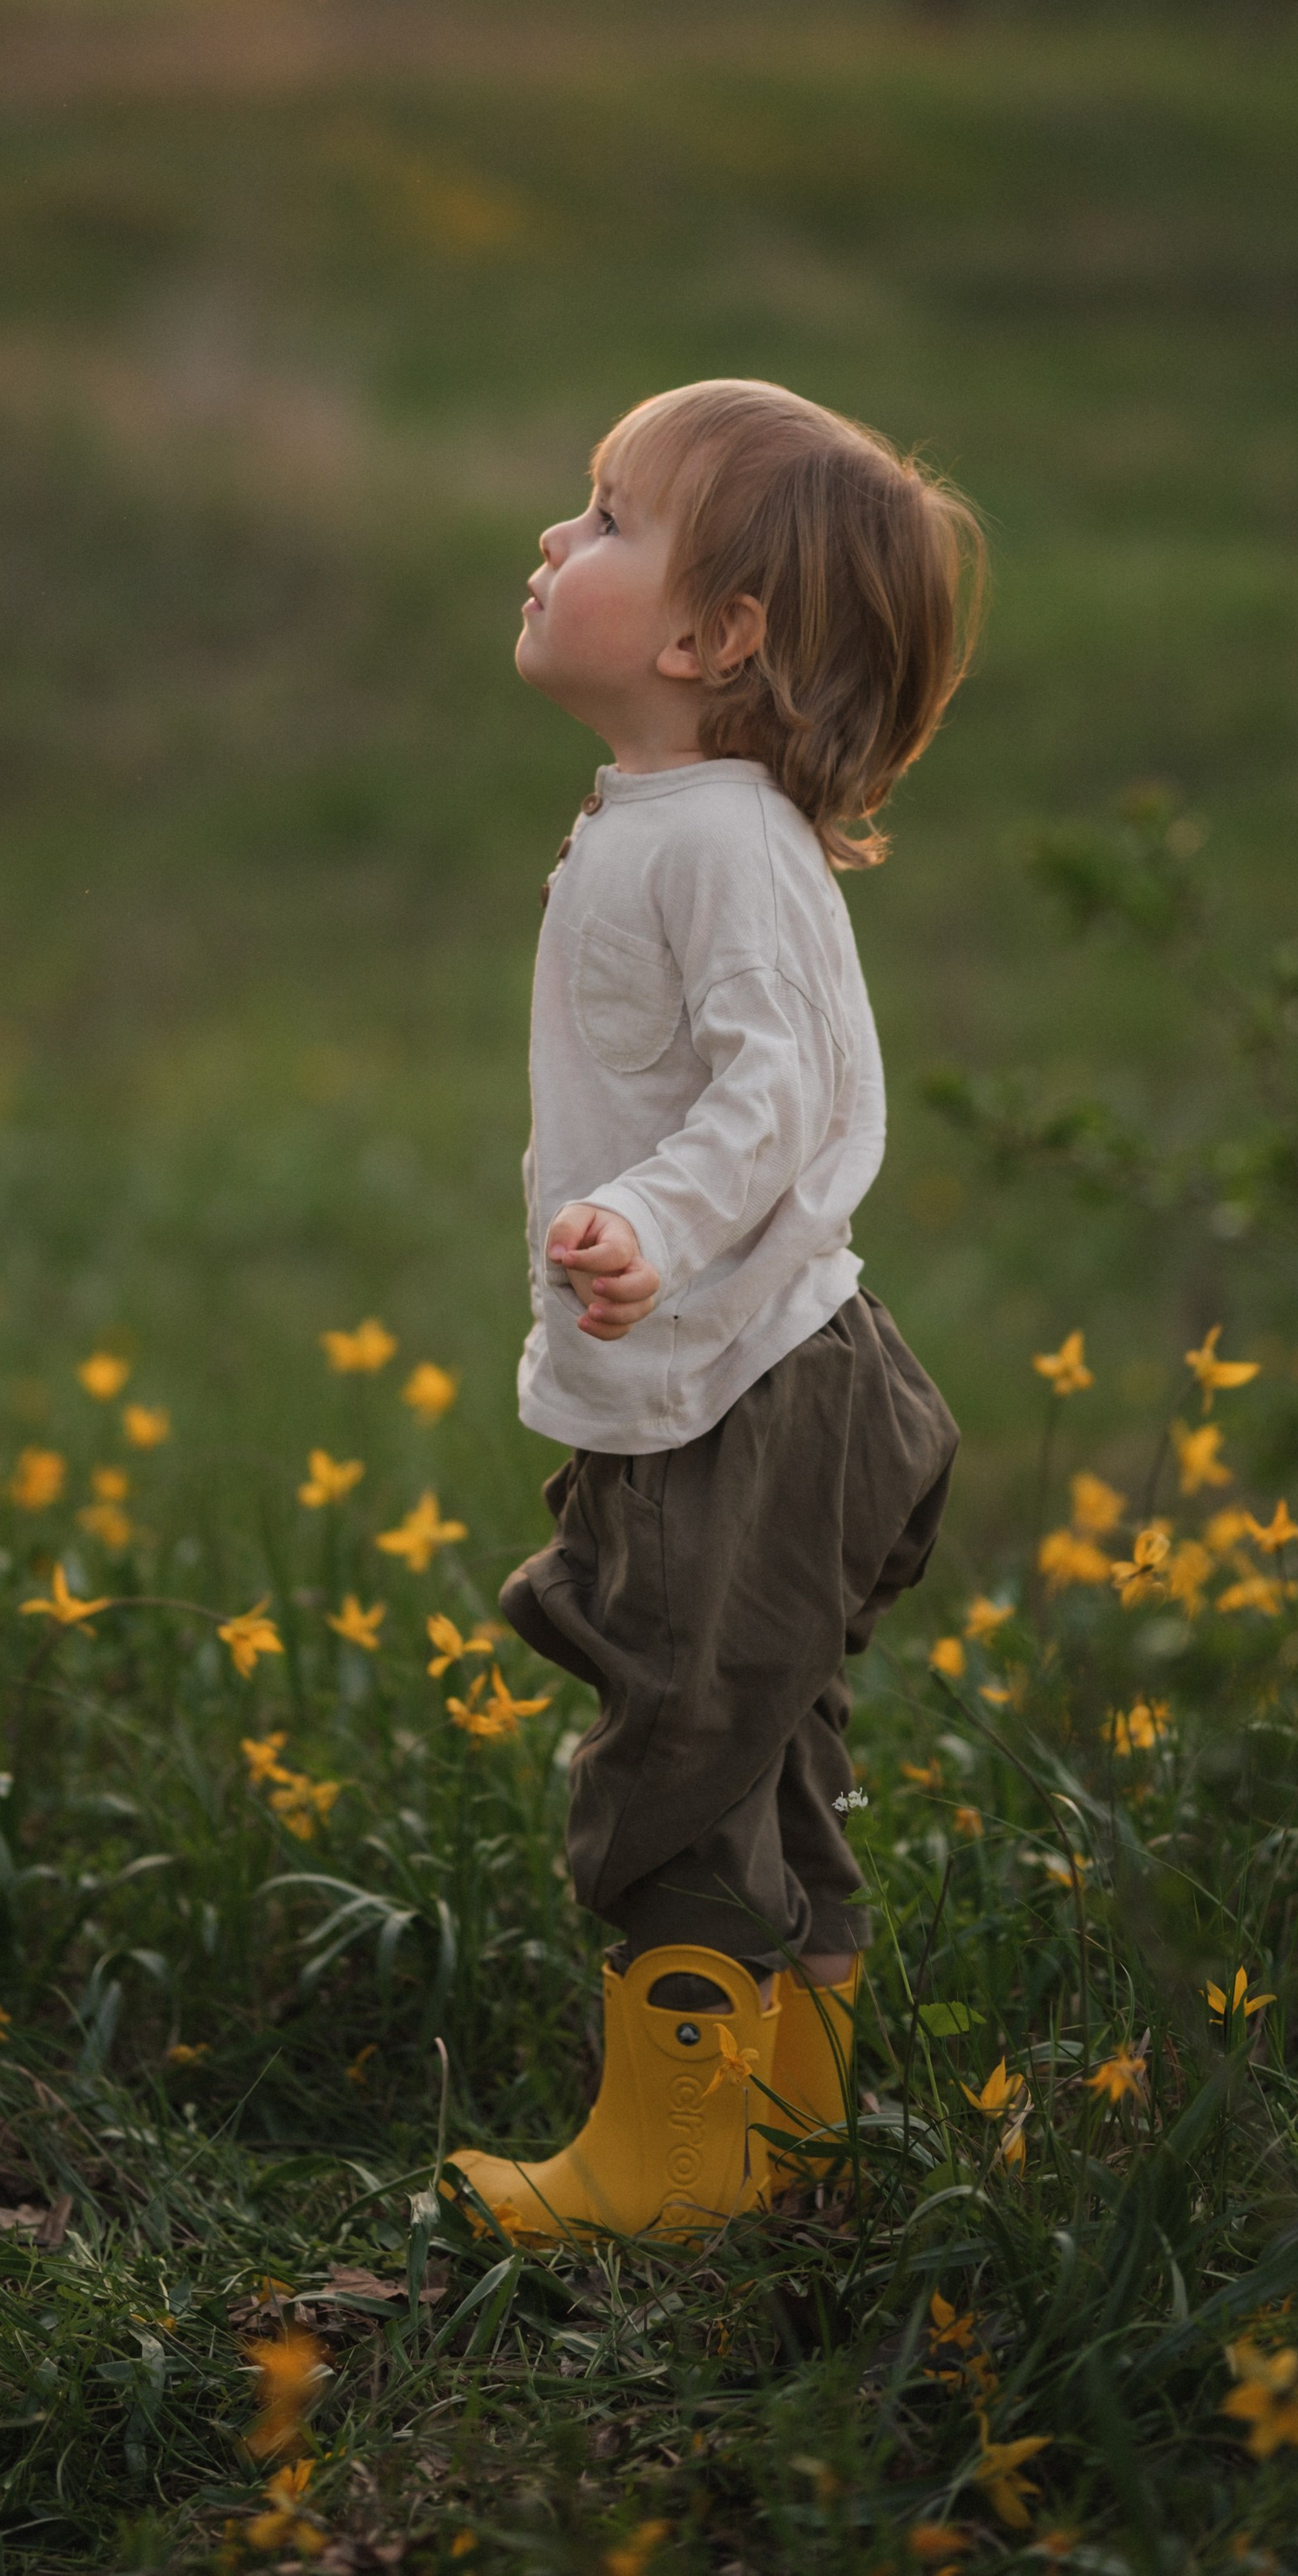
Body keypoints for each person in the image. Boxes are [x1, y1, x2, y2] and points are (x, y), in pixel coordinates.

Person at [446, 377, 983, 2240]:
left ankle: (667, 2171)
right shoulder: (678, 819)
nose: (549, 538)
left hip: (738, 1393)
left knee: (674, 1753)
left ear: (708, 636)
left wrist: (651, 1228)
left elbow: (781, 1093)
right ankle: (792, 2137)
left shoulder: (717, 845)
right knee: (770, 1743)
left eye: (599, 517)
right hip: (778, 1374)